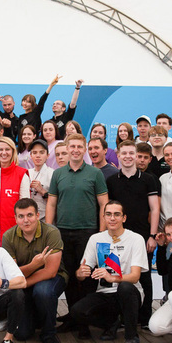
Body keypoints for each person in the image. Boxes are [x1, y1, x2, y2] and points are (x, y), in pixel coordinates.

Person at [46, 132, 108, 330]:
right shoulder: (58, 174)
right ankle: (74, 318)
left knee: (88, 276)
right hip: (63, 232)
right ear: (67, 148)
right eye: (72, 146)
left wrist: (101, 233)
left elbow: (104, 204)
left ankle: (85, 321)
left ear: (84, 150)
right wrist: (49, 230)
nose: (75, 150)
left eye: (79, 147)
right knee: (70, 276)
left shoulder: (95, 174)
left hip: (88, 232)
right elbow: (52, 203)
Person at [69, 200, 147, 343]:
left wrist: (113, 278)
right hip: (105, 293)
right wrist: (80, 273)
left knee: (125, 287)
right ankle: (111, 323)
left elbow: (135, 277)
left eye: (117, 214)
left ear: (124, 218)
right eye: (108, 214)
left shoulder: (136, 239)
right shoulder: (96, 239)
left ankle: (132, 338)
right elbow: (82, 271)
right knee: (77, 311)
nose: (112, 218)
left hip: (130, 292)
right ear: (103, 217)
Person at [104, 140, 160, 328]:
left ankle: (145, 318)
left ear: (136, 155)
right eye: (124, 153)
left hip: (143, 236)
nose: (128, 156)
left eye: (131, 153)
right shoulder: (111, 181)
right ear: (118, 156)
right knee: (118, 275)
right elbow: (109, 211)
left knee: (144, 276)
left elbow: (154, 208)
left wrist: (152, 236)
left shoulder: (149, 179)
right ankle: (122, 317)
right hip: (118, 237)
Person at [1, 199, 65, 343]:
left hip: (51, 278)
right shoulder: (8, 236)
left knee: (43, 291)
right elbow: (12, 273)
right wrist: (33, 265)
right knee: (22, 334)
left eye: (29, 215)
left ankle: (49, 333)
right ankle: (36, 318)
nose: (26, 220)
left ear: (37, 215)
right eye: (21, 216)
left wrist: (23, 283)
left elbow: (50, 271)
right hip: (24, 280)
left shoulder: (51, 232)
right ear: (15, 218)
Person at [0, 136, 30, 246]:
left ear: (13, 151)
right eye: (0, 149)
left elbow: (25, 206)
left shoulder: (21, 174)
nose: (4, 153)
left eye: (7, 149)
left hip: (11, 228)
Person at [25, 139, 54, 218]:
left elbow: (57, 201)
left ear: (47, 155)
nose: (38, 156)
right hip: (29, 217)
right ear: (31, 155)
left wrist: (42, 191)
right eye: (34, 152)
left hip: (46, 217)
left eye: (42, 152)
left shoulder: (53, 174)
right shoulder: (26, 173)